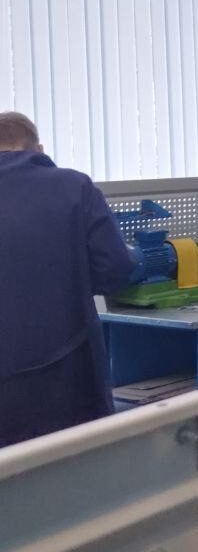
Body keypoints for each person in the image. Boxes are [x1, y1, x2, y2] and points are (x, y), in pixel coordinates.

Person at [0, 112, 134, 447]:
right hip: (65, 380)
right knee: (74, 467)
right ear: (39, 149)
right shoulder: (75, 187)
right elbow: (115, 270)